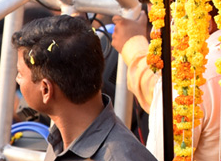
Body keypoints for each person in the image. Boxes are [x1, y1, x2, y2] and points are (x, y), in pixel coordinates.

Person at [13, 14, 155, 161]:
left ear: (46, 90)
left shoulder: (120, 156)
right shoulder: (60, 140)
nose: (17, 79)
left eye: (20, 73)